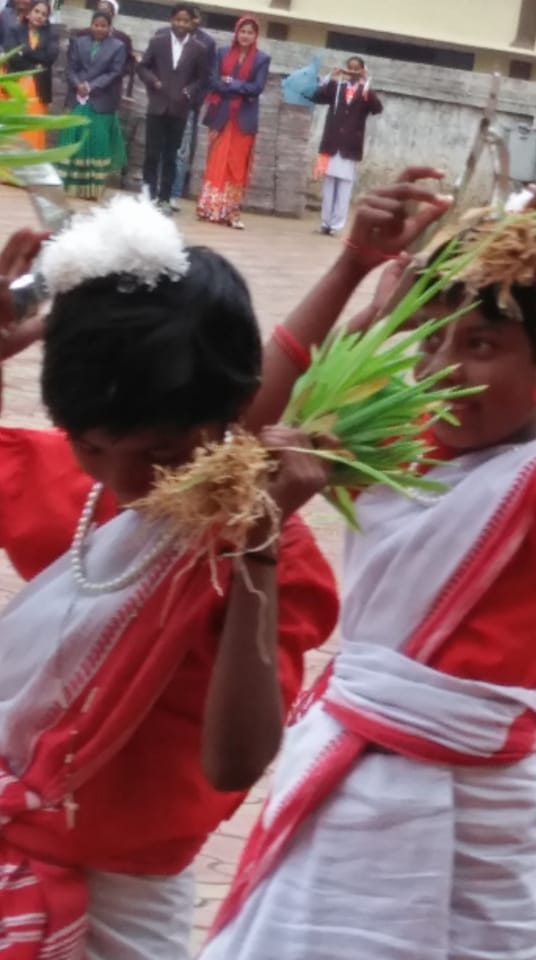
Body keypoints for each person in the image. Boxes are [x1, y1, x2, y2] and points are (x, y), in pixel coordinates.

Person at [201, 171, 536, 958]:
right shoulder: (395, 449)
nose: (446, 366)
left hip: (492, 811)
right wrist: (354, 268)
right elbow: (242, 434)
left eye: (482, 345)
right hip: (361, 794)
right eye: (434, 339)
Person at [0, 200, 338, 958]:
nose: (126, 481)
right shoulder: (72, 489)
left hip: (131, 901)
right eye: (90, 444)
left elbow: (238, 761)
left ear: (229, 420)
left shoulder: (275, 557)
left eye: (157, 456)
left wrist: (256, 551)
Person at [196, 15, 269, 229]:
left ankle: (230, 212)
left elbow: (257, 87)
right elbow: (213, 81)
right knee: (216, 161)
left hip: (243, 119)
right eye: (242, 31)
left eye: (250, 32)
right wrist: (237, 86)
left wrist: (232, 83)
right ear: (236, 33)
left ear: (256, 36)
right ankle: (210, 208)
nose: (245, 36)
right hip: (221, 115)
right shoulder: (221, 53)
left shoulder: (262, 59)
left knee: (236, 166)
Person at [137, 3, 209, 212]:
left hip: (179, 109)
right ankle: (147, 195)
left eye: (185, 21)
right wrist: (154, 81)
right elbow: (141, 67)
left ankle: (165, 198)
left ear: (191, 23)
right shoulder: (158, 42)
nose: (181, 24)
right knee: (152, 153)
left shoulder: (199, 49)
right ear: (171, 20)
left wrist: (189, 92)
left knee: (171, 155)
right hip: (157, 106)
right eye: (178, 20)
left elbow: (202, 78)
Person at [59, 7, 128, 200]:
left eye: (103, 26)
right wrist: (78, 84)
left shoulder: (118, 46)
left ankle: (91, 190)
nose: (99, 29)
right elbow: (71, 68)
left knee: (96, 142)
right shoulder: (79, 42)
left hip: (101, 101)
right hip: (78, 98)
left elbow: (115, 72)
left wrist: (91, 85)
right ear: (90, 25)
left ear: (109, 27)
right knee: (73, 140)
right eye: (95, 25)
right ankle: (70, 186)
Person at [314, 56, 384, 236]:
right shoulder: (336, 88)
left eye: (356, 68)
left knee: (344, 187)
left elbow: (377, 108)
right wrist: (332, 77)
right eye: (350, 67)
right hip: (332, 144)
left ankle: (337, 226)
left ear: (362, 70)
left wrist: (367, 82)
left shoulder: (364, 92)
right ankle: (325, 222)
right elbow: (318, 96)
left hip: (349, 147)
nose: (352, 71)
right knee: (329, 186)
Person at [172, 4, 216, 208]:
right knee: (162, 148)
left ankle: (174, 193)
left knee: (181, 151)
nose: (188, 22)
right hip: (164, 102)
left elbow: (207, 77)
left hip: (189, 105)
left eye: (193, 18)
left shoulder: (207, 43)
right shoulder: (165, 35)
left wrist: (194, 100)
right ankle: (156, 191)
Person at [8, 0, 58, 149]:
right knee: (13, 130)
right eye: (37, 11)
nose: (40, 16)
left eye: (44, 14)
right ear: (29, 12)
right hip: (15, 88)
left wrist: (25, 52)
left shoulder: (52, 36)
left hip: (39, 91)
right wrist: (34, 65)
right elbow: (13, 58)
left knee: (32, 131)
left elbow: (49, 57)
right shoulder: (15, 30)